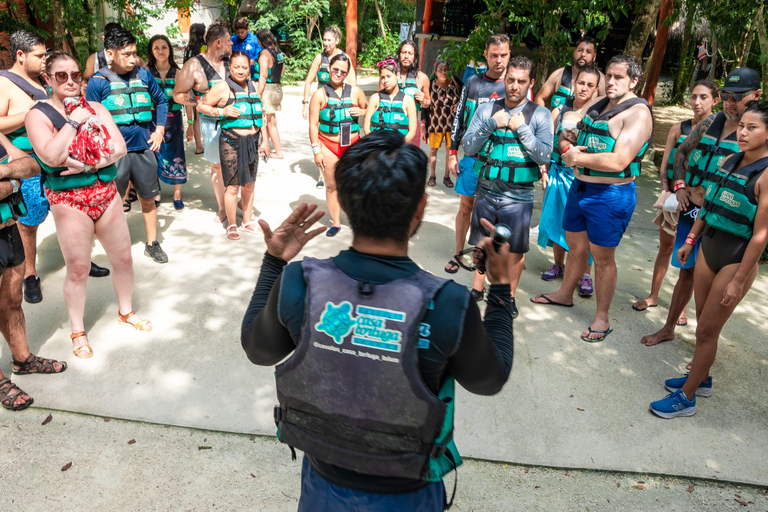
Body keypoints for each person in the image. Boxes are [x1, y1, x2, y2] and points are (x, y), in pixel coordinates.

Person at [241, 130, 514, 511]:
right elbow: (490, 379)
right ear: (420, 207)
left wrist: (274, 264)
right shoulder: (448, 302)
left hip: (323, 487)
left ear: (348, 205)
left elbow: (257, 349)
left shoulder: (299, 282)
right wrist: (500, 290)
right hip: (408, 495)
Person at [26, 52, 152, 358]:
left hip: (106, 193)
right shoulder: (38, 115)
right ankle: (78, 331)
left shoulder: (95, 107)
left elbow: (119, 148)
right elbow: (51, 157)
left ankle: (125, 311)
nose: (70, 81)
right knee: (79, 269)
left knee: (123, 259)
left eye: (75, 75)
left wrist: (85, 165)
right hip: (69, 200)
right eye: (61, 76)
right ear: (48, 79)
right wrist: (72, 122)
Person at [650, 100, 768, 418]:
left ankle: (687, 398)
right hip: (707, 248)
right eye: (742, 125)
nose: (742, 132)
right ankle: (701, 378)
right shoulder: (729, 160)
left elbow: (760, 235)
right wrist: (690, 240)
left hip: (735, 257)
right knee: (704, 324)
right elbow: (709, 205)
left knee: (706, 332)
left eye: (752, 127)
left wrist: (741, 279)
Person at [531, 55, 653, 343]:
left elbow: (619, 160)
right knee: (575, 247)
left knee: (602, 258)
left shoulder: (638, 113)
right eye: (609, 75)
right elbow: (568, 136)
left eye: (619, 77)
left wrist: (578, 156)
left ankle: (601, 316)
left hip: (610, 195)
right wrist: (565, 149)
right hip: (580, 187)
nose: (611, 82)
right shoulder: (597, 106)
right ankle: (564, 294)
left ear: (634, 81)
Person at [641, 68, 760, 348]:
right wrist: (680, 186)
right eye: (727, 96)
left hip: (724, 220)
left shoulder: (755, 137)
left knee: (714, 289)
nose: (732, 103)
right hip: (693, 212)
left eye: (739, 97)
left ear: (755, 96)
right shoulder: (709, 123)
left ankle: (703, 345)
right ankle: (669, 328)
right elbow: (680, 154)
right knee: (686, 270)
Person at [0, 31, 109, 305]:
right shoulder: (4, 83)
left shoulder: (41, 80)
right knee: (29, 223)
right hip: (28, 163)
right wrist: (29, 113)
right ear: (20, 55)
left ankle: (80, 260)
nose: (43, 59)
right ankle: (30, 275)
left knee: (69, 213)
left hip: (60, 157)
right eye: (38, 55)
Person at [463, 56, 553, 318]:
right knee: (482, 244)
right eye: (510, 80)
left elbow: (544, 156)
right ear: (505, 79)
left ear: (531, 83)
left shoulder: (540, 115)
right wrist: (493, 123)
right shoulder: (487, 110)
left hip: (519, 195)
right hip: (487, 189)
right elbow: (468, 146)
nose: (514, 86)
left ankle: (508, 297)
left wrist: (522, 129)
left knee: (514, 250)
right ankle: (478, 289)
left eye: (521, 81)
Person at [633, 80, 718, 322]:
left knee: (691, 259)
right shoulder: (677, 128)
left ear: (715, 100)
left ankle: (682, 307)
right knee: (666, 247)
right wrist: (666, 191)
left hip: (697, 203)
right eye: (693, 96)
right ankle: (653, 295)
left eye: (703, 97)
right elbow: (667, 162)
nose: (697, 102)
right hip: (674, 198)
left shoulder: (717, 132)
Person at [86, 28, 169, 264]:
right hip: (115, 154)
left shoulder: (143, 75)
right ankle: (109, 249)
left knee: (148, 198)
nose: (133, 59)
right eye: (127, 54)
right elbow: (90, 119)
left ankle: (152, 243)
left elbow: (161, 101)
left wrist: (159, 130)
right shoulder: (98, 81)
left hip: (144, 149)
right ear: (110, 54)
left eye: (134, 53)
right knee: (110, 202)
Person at [0, 131, 67, 410]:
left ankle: (23, 359)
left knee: (12, 301)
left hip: (7, 229)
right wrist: (10, 182)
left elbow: (30, 166)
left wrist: (6, 172)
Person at [444, 35, 510, 275]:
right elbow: (459, 117)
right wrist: (452, 153)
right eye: (494, 55)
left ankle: (487, 258)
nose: (499, 60)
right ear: (486, 54)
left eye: (503, 55)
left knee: (496, 211)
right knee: (465, 207)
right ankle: (458, 252)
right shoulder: (473, 82)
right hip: (472, 158)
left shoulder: (514, 84)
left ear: (509, 55)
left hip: (501, 160)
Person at [537, 65, 600, 297]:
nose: (584, 88)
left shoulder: (599, 115)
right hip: (558, 171)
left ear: (596, 89)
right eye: (581, 83)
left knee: (585, 228)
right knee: (556, 219)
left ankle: (586, 274)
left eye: (590, 85)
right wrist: (544, 169)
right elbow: (546, 142)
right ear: (575, 83)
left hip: (584, 178)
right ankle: (558, 264)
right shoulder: (560, 109)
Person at [202, 52, 269, 240]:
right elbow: (202, 106)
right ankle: (232, 224)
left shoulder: (253, 86)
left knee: (249, 184)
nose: (240, 71)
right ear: (229, 68)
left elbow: (259, 114)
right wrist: (221, 111)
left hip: (252, 141)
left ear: (250, 67)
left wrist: (265, 140)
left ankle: (247, 221)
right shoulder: (222, 87)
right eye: (236, 67)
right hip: (231, 140)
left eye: (244, 67)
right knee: (232, 186)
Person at [174, 23, 232, 223]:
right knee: (217, 167)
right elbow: (178, 95)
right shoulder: (194, 65)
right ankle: (223, 207)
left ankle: (234, 200)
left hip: (236, 122)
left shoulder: (232, 62)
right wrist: (199, 103)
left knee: (236, 165)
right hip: (212, 124)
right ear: (218, 43)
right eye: (228, 41)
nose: (231, 44)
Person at [308, 53, 367, 237]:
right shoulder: (319, 94)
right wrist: (316, 150)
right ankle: (336, 222)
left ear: (347, 73)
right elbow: (313, 125)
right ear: (328, 69)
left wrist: (362, 111)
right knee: (332, 185)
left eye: (343, 71)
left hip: (352, 144)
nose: (338, 73)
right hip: (328, 144)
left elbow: (369, 109)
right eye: (335, 69)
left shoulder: (355, 92)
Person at [147, 34, 187, 210]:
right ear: (151, 51)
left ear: (169, 50)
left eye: (164, 47)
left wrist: (192, 123)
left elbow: (186, 99)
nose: (160, 51)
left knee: (177, 155)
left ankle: (177, 194)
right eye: (156, 47)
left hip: (175, 120)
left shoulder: (178, 72)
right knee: (154, 155)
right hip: (152, 120)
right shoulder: (146, 72)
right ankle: (156, 192)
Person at [302, 26, 357, 122]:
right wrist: (305, 104)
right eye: (324, 40)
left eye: (329, 40)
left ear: (337, 41)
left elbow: (353, 85)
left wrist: (353, 105)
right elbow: (308, 82)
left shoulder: (345, 58)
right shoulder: (320, 58)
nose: (326, 43)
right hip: (322, 101)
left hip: (339, 101)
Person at [534, 36, 605, 110]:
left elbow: (609, 106)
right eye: (580, 50)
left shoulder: (601, 79)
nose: (583, 54)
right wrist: (545, 119)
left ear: (594, 57)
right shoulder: (559, 74)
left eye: (588, 52)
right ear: (574, 52)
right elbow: (539, 98)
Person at [422, 59, 461, 187]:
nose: (443, 72)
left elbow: (465, 95)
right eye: (440, 70)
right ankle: (432, 175)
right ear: (435, 71)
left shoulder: (455, 82)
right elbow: (424, 106)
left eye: (445, 70)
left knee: (450, 151)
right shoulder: (431, 84)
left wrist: (458, 104)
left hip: (452, 124)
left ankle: (446, 177)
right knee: (433, 150)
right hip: (435, 124)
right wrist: (423, 125)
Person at [363, 58, 417, 143]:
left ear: (397, 75)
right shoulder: (375, 98)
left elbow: (412, 131)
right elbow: (366, 128)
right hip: (377, 148)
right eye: (383, 77)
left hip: (399, 148)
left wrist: (397, 146)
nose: (385, 81)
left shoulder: (408, 101)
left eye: (389, 76)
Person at [255, 29, 285, 159]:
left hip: (267, 88)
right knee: (271, 120)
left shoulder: (264, 53)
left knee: (266, 120)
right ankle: (270, 146)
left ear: (261, 40)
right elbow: (282, 72)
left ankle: (273, 149)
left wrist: (258, 92)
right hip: (278, 88)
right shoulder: (279, 52)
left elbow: (263, 75)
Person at [396, 40, 431, 146]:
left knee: (410, 160)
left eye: (410, 53)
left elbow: (427, 102)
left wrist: (423, 99)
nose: (406, 56)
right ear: (399, 54)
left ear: (415, 57)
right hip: (392, 124)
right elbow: (379, 98)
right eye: (404, 52)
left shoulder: (422, 78)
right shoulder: (390, 75)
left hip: (412, 126)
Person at [183, 23, 206, 155]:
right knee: (205, 114)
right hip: (200, 85)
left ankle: (198, 146)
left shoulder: (188, 49)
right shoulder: (203, 48)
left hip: (188, 84)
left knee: (195, 116)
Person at [231, 17, 262, 81]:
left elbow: (260, 54)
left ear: (248, 29)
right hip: (237, 73)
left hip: (253, 74)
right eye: (238, 32)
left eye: (242, 32)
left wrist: (254, 59)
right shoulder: (233, 40)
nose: (240, 34)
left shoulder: (255, 39)